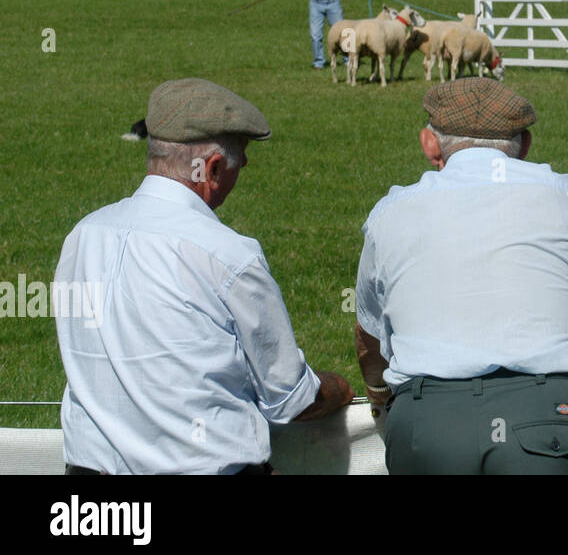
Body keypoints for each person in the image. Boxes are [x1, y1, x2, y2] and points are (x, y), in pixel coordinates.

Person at [56, 78, 353, 474]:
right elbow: (289, 399)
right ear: (211, 169)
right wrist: (338, 389)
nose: (244, 166)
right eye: (241, 157)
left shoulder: (83, 235)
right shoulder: (229, 255)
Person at [354, 78, 568, 475]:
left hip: (428, 419)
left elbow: (370, 332)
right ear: (524, 145)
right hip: (543, 412)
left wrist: (377, 393)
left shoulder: (390, 214)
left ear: (430, 143)